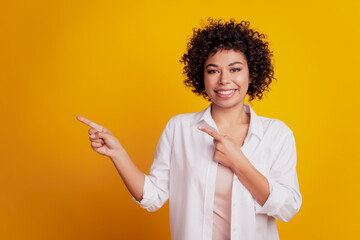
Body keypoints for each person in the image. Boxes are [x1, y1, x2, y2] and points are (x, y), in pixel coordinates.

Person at [77, 18, 302, 240]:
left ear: (252, 74)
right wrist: (117, 154)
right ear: (201, 76)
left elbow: (287, 208)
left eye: (235, 69)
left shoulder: (277, 134)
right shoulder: (180, 128)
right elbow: (153, 197)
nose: (224, 80)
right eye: (213, 71)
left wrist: (238, 161)